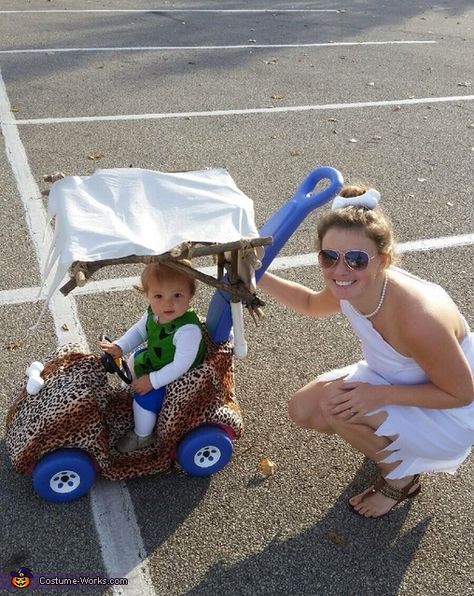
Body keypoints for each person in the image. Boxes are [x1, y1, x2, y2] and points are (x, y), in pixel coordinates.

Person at [258, 184, 474, 518]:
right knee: (303, 409)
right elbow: (310, 303)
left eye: (356, 259)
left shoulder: (419, 318)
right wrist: (256, 275)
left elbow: (461, 394)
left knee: (334, 405)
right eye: (328, 257)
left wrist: (378, 396)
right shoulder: (351, 287)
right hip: (393, 379)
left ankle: (403, 479)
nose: (340, 271)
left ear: (382, 260)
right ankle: (385, 439)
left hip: (448, 414)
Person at [100, 261, 205, 453]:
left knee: (145, 400)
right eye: (158, 296)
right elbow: (140, 331)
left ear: (191, 294)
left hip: (179, 377)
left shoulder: (188, 330)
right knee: (133, 359)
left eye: (177, 295)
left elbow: (180, 366)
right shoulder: (153, 313)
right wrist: (120, 346)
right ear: (147, 295)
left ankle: (142, 436)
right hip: (158, 360)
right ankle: (127, 392)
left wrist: (152, 381)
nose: (168, 303)